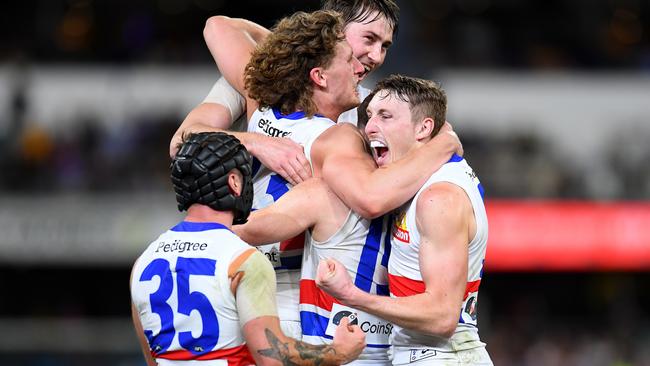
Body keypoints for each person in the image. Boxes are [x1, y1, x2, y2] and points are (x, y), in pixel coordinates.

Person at [201, 10, 462, 341]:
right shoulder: (335, 137)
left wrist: (291, 48)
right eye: (353, 54)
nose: (364, 65)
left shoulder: (261, 101)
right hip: (297, 302)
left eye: (384, 46)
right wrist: (443, 144)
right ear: (319, 75)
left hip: (245, 287)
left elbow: (218, 25)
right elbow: (372, 197)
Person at [129, 132, 366, 366]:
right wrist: (340, 352)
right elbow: (272, 356)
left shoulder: (143, 262)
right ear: (234, 182)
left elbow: (152, 358)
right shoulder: (243, 259)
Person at [316, 75, 493, 365]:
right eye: (370, 115)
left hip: (443, 356)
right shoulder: (422, 179)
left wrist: (351, 295)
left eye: (385, 116)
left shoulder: (438, 198)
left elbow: (441, 316)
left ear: (424, 128)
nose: (371, 127)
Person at [169, 0, 400, 183]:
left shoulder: (373, 106)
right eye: (369, 39)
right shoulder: (259, 80)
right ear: (335, 30)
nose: (377, 56)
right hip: (253, 237)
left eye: (385, 46)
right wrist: (257, 143)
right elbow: (182, 141)